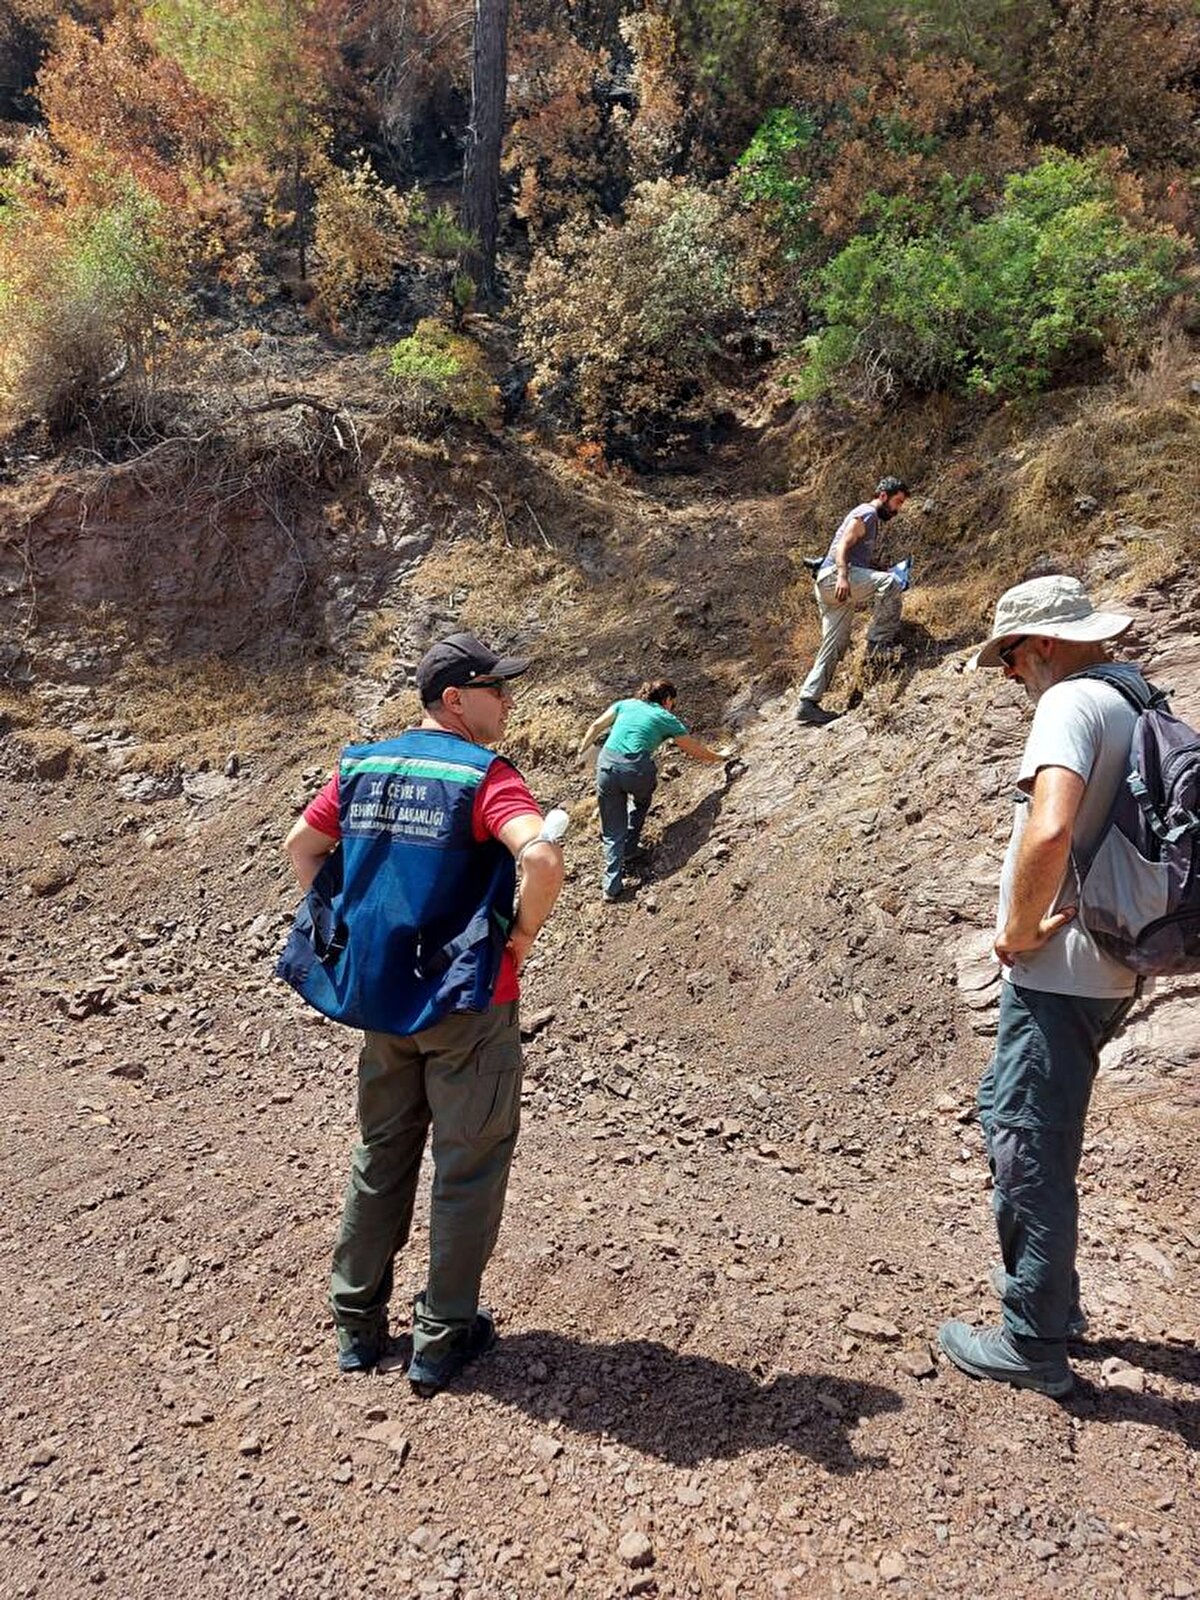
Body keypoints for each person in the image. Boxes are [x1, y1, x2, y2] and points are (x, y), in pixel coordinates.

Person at [279, 632, 564, 1393]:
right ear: (454, 699)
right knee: (466, 1172)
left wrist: (348, 927)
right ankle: (441, 1340)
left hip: (387, 1004)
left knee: (381, 1155)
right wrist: (522, 938)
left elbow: (303, 846)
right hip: (469, 1004)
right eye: (495, 688)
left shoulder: (363, 764)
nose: (506, 699)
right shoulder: (485, 776)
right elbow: (539, 857)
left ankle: (356, 1325)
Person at [938, 576, 1144, 1398]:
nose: (1011, 674)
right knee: (1032, 1128)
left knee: (1026, 1140)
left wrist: (1019, 930)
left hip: (1059, 971)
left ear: (1046, 645)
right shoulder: (1136, 700)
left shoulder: (1071, 703)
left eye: (1012, 657)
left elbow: (1052, 825)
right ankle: (1055, 1305)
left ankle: (1033, 1339)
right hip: (1112, 962)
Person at [576, 680, 728, 903]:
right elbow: (694, 750)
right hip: (636, 770)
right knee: (641, 802)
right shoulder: (666, 718)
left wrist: (582, 751)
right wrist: (720, 756)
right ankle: (629, 848)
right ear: (666, 700)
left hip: (606, 766)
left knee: (612, 828)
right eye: (672, 703)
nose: (671, 707)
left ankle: (611, 886)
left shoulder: (625, 704)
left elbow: (595, 726)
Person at [795, 476, 909, 727]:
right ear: (883, 496)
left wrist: (879, 567)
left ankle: (808, 703)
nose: (898, 509)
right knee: (889, 584)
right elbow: (844, 544)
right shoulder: (867, 513)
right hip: (835, 578)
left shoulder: (870, 518)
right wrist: (844, 576)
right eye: (897, 502)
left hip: (829, 584)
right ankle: (879, 645)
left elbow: (856, 555)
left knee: (835, 644)